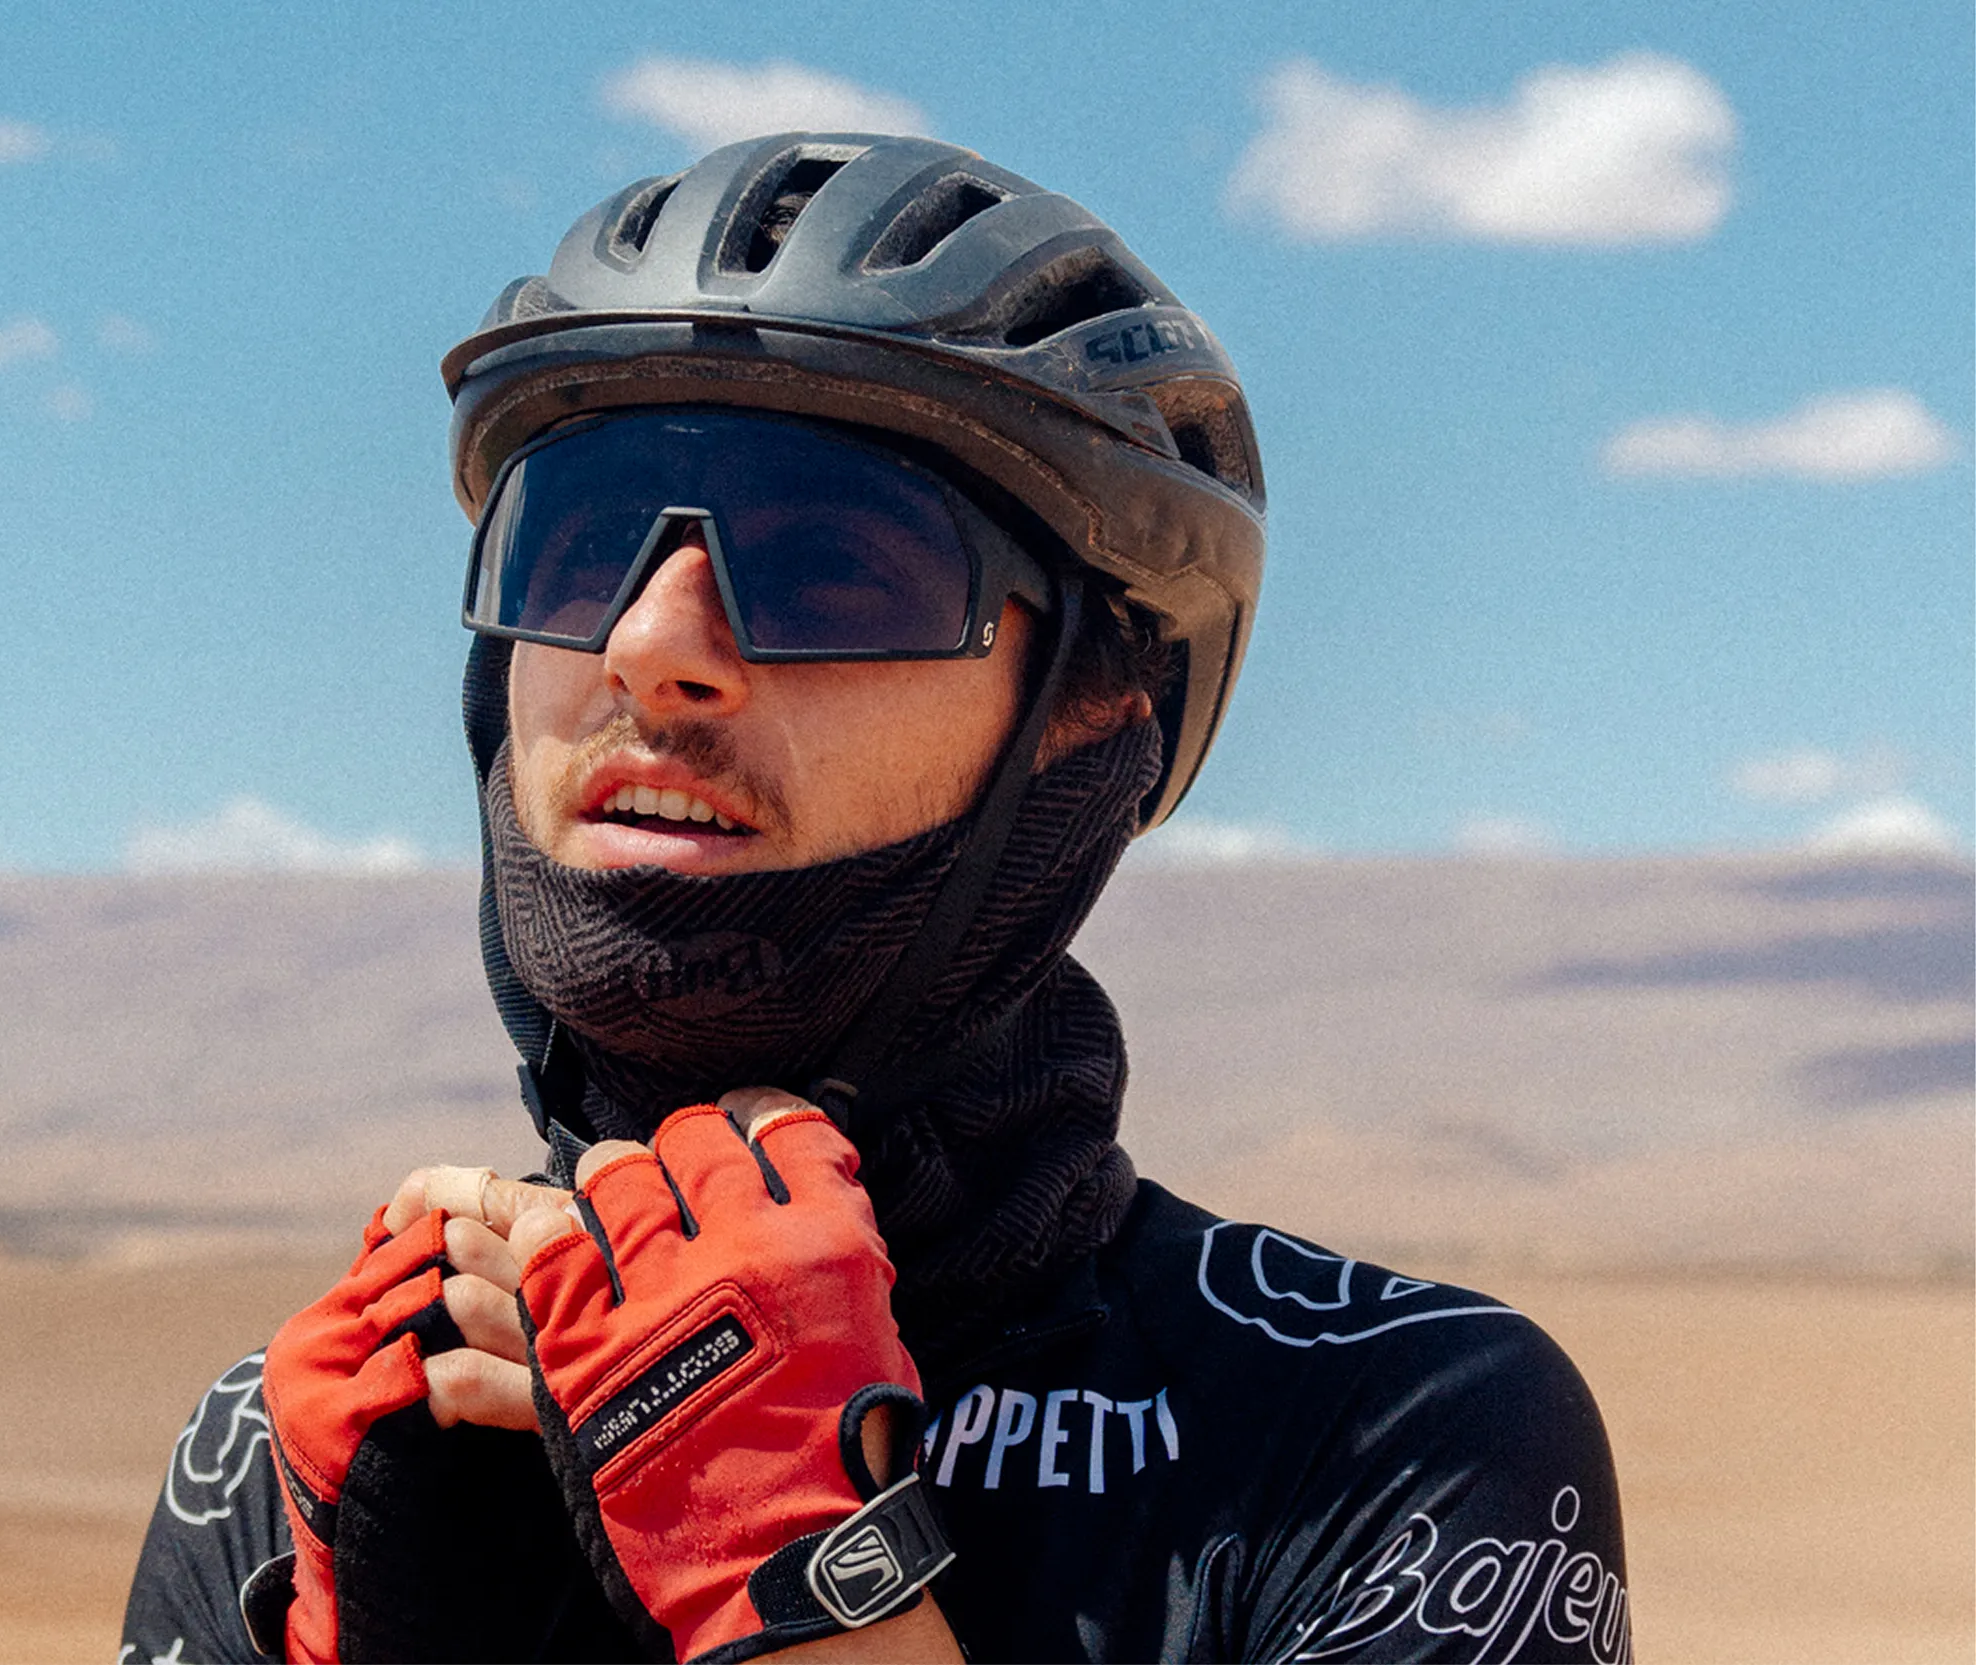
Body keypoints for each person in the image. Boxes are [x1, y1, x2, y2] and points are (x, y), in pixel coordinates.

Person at [121, 133, 1629, 1664]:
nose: (650, 645)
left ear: (1092, 716)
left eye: (831, 568)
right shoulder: (300, 1451)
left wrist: (800, 1580)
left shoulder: (1380, 1427)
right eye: (576, 547)